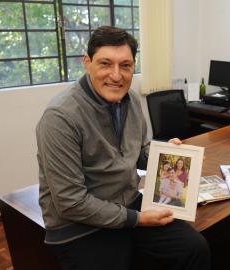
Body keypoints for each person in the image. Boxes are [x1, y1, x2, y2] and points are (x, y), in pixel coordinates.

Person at [36, 26, 210, 270]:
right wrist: (137, 219)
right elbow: (70, 202)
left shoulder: (130, 101)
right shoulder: (60, 117)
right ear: (87, 63)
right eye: (106, 63)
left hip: (128, 205)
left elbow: (139, 154)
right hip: (79, 226)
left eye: (125, 65)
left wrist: (166, 156)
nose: (116, 76)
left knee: (194, 248)